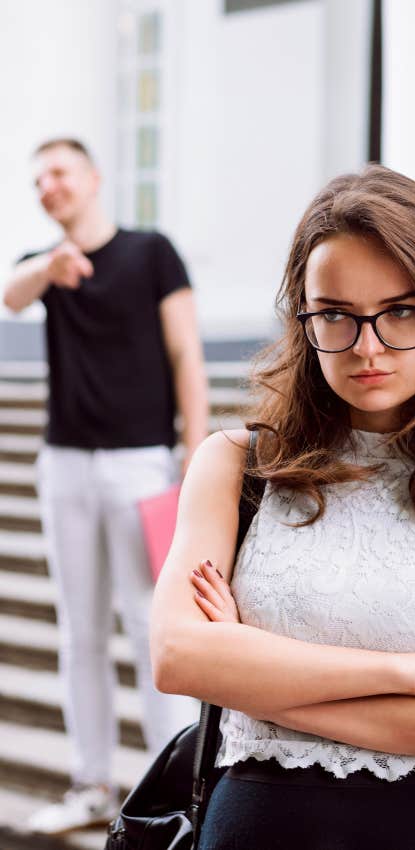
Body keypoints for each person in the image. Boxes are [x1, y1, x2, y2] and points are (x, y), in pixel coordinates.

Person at [149, 164, 415, 849]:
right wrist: (414, 676)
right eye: (336, 316)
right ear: (304, 319)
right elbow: (176, 656)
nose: (367, 347)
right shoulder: (236, 466)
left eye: (400, 310)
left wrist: (252, 672)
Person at [2, 138, 208, 833]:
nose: (47, 187)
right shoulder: (44, 267)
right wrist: (49, 267)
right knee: (78, 632)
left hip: (141, 464)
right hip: (64, 465)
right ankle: (90, 783)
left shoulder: (152, 252)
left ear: (92, 177)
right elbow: (11, 293)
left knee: (157, 627)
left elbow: (187, 353)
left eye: (58, 172)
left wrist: (195, 449)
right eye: (36, 180)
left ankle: (179, 794)